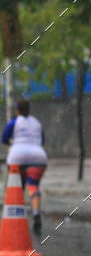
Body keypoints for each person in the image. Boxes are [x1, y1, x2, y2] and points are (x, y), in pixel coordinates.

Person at [1, 99, 48, 233]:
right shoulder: (37, 123)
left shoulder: (14, 122)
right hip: (38, 157)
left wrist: (15, 141)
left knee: (18, 189)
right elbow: (42, 141)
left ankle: (18, 217)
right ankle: (36, 213)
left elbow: (4, 139)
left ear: (17, 110)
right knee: (33, 186)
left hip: (17, 158)